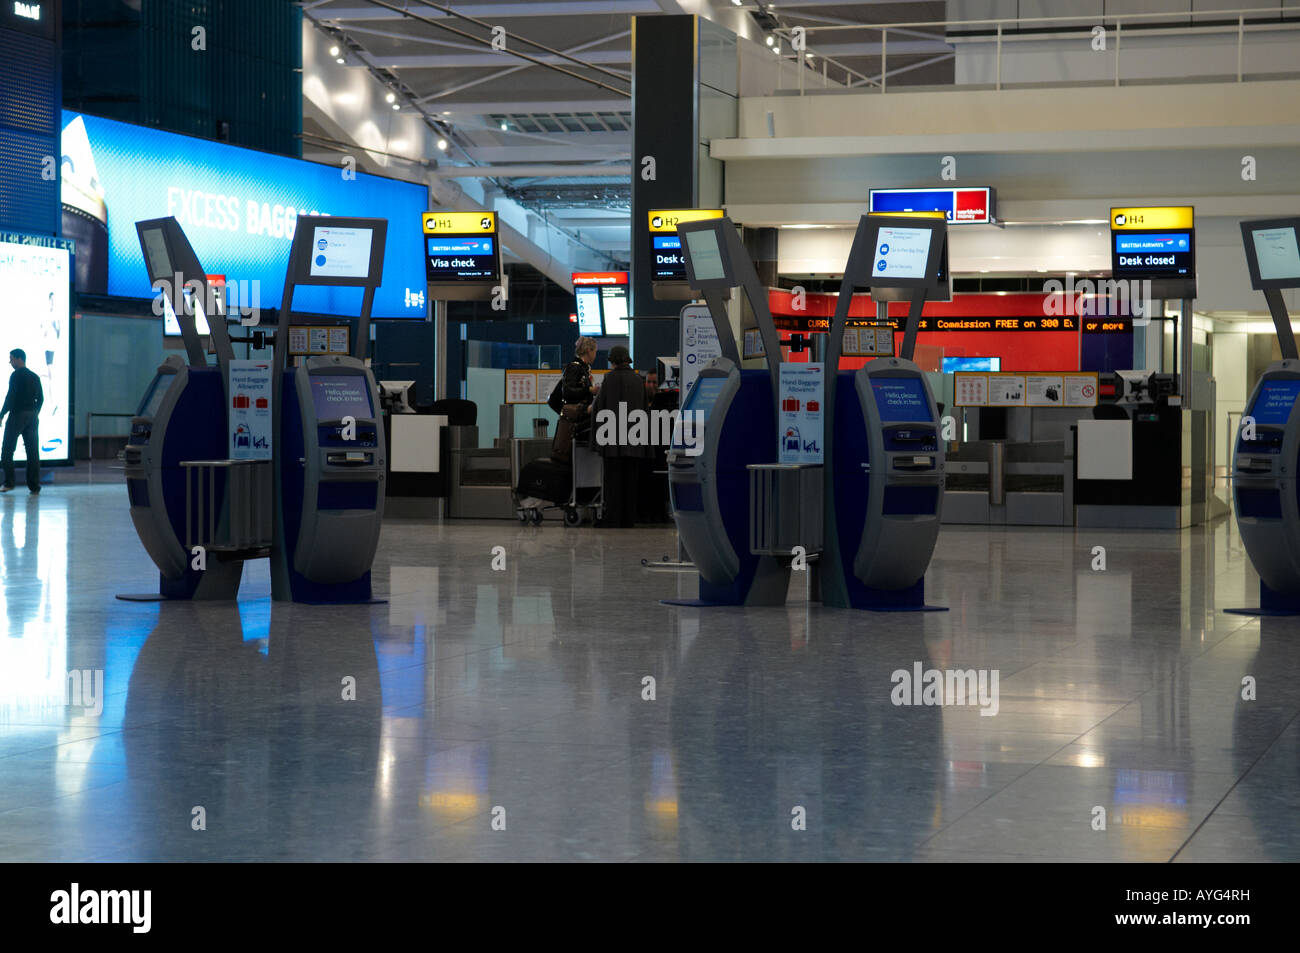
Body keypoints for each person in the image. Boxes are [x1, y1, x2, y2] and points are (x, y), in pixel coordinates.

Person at [592, 345, 649, 528]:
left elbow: (598, 409)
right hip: (635, 440)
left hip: (612, 442)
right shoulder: (639, 380)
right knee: (631, 481)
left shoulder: (609, 379)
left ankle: (613, 518)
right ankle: (628, 519)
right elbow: (645, 410)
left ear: (614, 360)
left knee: (613, 481)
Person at [0, 349, 44, 494]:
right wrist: (35, 412)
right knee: (32, 452)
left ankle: (9, 483)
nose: (10, 362)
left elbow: (10, 397)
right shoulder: (34, 376)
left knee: (7, 450)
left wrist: (1, 414)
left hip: (17, 415)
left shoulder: (16, 375)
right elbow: (41, 399)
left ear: (19, 359)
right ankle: (34, 486)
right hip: (32, 416)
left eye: (11, 359)